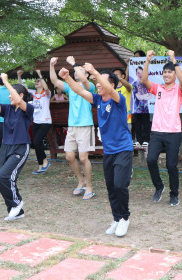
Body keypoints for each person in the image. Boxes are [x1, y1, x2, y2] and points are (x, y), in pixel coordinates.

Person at [58, 64, 133, 237]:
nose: (97, 85)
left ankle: (124, 218)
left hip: (123, 149)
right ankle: (116, 218)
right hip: (109, 152)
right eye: (97, 83)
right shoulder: (98, 100)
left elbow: (106, 86)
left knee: (120, 185)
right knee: (111, 186)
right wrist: (67, 78)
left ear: (112, 85)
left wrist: (94, 72)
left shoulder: (118, 98)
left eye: (102, 83)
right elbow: (80, 91)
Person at [0, 73, 33, 221]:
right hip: (6, 147)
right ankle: (16, 210)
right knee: (7, 179)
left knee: (3, 176)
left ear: (21, 95)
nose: (10, 97)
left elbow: (17, 99)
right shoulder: (8, 109)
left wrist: (5, 81)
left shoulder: (27, 109)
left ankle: (16, 203)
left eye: (12, 94)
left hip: (20, 147)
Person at [142, 50, 182, 206]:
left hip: (174, 132)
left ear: (174, 74)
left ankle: (174, 194)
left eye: (170, 72)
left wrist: (174, 60)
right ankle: (159, 186)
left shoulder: (179, 90)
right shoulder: (158, 88)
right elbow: (144, 79)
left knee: (171, 165)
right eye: (165, 72)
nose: (167, 74)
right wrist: (147, 60)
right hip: (157, 132)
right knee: (151, 159)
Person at [50, 56, 96, 199]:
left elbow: (83, 80)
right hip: (72, 126)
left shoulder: (90, 86)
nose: (76, 72)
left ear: (86, 74)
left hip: (86, 125)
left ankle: (89, 186)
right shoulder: (69, 87)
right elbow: (55, 81)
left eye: (80, 70)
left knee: (83, 158)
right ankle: (80, 182)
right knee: (69, 157)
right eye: (76, 70)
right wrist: (51, 66)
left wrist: (74, 63)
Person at [19, 70, 52, 174]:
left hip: (45, 121)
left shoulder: (46, 94)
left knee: (37, 142)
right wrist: (19, 75)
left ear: (43, 82)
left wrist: (39, 74)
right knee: (35, 144)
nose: (36, 82)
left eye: (39, 81)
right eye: (36, 81)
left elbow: (46, 88)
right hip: (36, 121)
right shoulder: (33, 93)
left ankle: (46, 160)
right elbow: (21, 89)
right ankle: (40, 166)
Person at [131, 66, 152, 146]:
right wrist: (145, 95)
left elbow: (150, 96)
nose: (140, 74)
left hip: (146, 108)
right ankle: (139, 140)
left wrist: (144, 95)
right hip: (137, 108)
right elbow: (138, 97)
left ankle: (147, 140)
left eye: (142, 73)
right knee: (137, 124)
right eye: (138, 73)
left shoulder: (147, 83)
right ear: (136, 74)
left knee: (146, 124)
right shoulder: (134, 84)